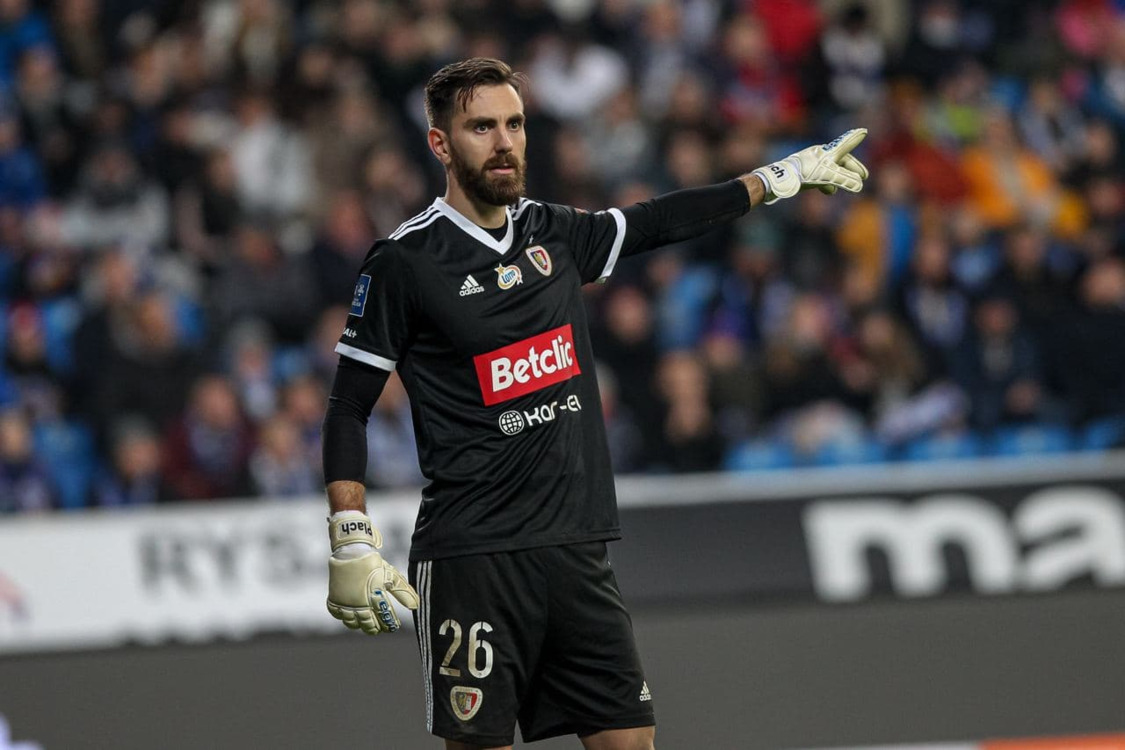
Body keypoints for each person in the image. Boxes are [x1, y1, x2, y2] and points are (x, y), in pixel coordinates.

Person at [320, 58, 868, 750]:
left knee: (630, 742)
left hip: (576, 549)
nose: (504, 143)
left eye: (514, 124)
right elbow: (348, 406)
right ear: (440, 144)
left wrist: (777, 178)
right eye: (482, 127)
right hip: (475, 557)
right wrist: (350, 531)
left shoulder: (552, 231)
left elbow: (657, 221)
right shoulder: (403, 262)